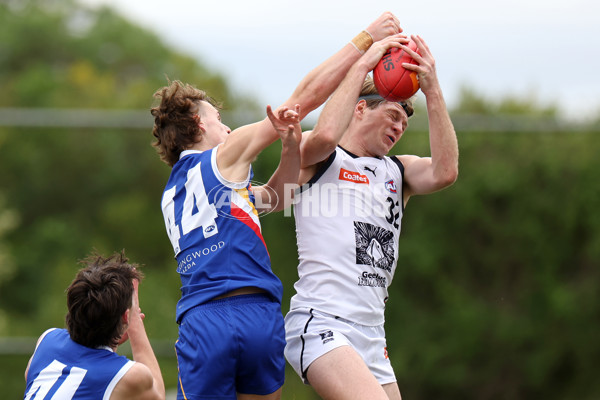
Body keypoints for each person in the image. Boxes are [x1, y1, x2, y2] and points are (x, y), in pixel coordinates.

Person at [149, 13, 404, 400]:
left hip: (203, 318)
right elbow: (303, 99)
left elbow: (276, 197)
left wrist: (289, 149)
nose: (228, 129)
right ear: (199, 127)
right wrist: (365, 42)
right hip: (255, 313)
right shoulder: (223, 155)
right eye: (219, 120)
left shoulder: (172, 195)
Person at [284, 34, 459, 400]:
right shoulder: (322, 157)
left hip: (372, 333)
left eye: (404, 124)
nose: (398, 128)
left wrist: (433, 90)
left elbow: (445, 172)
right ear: (360, 108)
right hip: (323, 323)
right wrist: (364, 62)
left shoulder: (399, 171)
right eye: (392, 116)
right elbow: (328, 131)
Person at [23, 251, 165, 400]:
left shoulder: (47, 340)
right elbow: (157, 395)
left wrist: (114, 336)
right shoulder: (130, 375)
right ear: (125, 317)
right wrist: (134, 319)